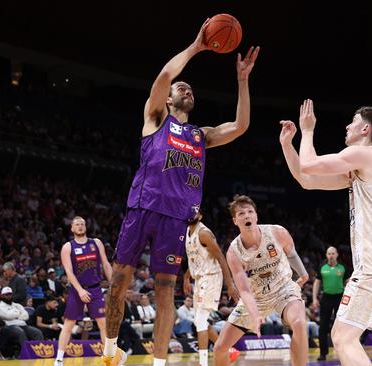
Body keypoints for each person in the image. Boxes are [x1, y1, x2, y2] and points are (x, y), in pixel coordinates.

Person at [102, 18, 260, 366]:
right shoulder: (156, 118)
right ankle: (110, 351)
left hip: (176, 220)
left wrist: (242, 81)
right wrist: (196, 47)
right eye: (182, 88)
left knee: (164, 292)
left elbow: (241, 126)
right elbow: (162, 78)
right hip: (143, 207)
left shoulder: (200, 136)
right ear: (170, 98)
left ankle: (159, 363)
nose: (187, 91)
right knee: (119, 281)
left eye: (190, 90)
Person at [279, 100, 372, 365]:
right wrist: (286, 145)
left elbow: (310, 164)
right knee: (343, 337)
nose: (347, 125)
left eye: (353, 120)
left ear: (365, 129)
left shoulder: (368, 154)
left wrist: (308, 130)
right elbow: (307, 180)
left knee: (343, 338)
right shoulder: (360, 166)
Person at [213, 195, 309, 366]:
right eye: (241, 214)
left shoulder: (277, 232)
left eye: (250, 212)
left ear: (256, 216)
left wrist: (303, 273)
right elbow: (244, 291)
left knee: (300, 323)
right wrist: (256, 316)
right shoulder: (234, 253)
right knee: (219, 348)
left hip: (283, 289)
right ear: (235, 221)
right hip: (256, 299)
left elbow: (291, 252)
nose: (247, 216)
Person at [182, 212, 239, 366]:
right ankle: (229, 350)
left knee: (200, 320)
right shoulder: (187, 232)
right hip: (200, 277)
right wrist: (186, 276)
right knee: (199, 320)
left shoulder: (204, 233)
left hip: (212, 276)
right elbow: (195, 260)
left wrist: (230, 284)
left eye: (195, 211)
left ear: (200, 215)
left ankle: (203, 363)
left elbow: (220, 257)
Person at [55, 216, 112, 366]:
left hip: (95, 289)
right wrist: (80, 290)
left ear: (85, 227)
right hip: (76, 290)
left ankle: (108, 358)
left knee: (103, 323)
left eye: (82, 224)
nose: (80, 226)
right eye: (77, 225)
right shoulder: (68, 247)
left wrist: (114, 284)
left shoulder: (96, 243)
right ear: (72, 229)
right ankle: (59, 359)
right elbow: (69, 272)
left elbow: (106, 264)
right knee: (69, 324)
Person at [312, 246, 346, 361]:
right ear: (326, 255)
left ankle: (342, 352)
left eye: (333, 253)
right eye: (329, 253)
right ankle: (323, 353)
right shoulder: (322, 267)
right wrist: (314, 299)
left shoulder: (342, 268)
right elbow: (316, 283)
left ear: (337, 254)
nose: (331, 255)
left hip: (339, 298)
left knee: (341, 327)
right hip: (326, 298)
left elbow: (348, 283)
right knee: (323, 327)